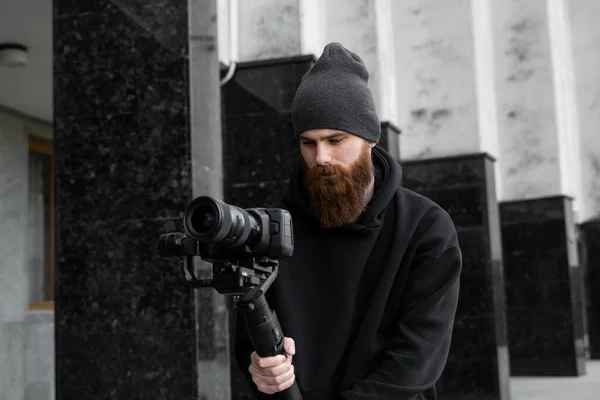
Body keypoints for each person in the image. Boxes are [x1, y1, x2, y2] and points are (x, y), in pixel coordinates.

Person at [234, 42, 462, 400]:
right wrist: (260, 369)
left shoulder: (426, 227)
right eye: (308, 143)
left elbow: (418, 357)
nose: (320, 157)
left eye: (335, 140)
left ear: (370, 138)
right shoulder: (272, 228)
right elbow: (249, 340)